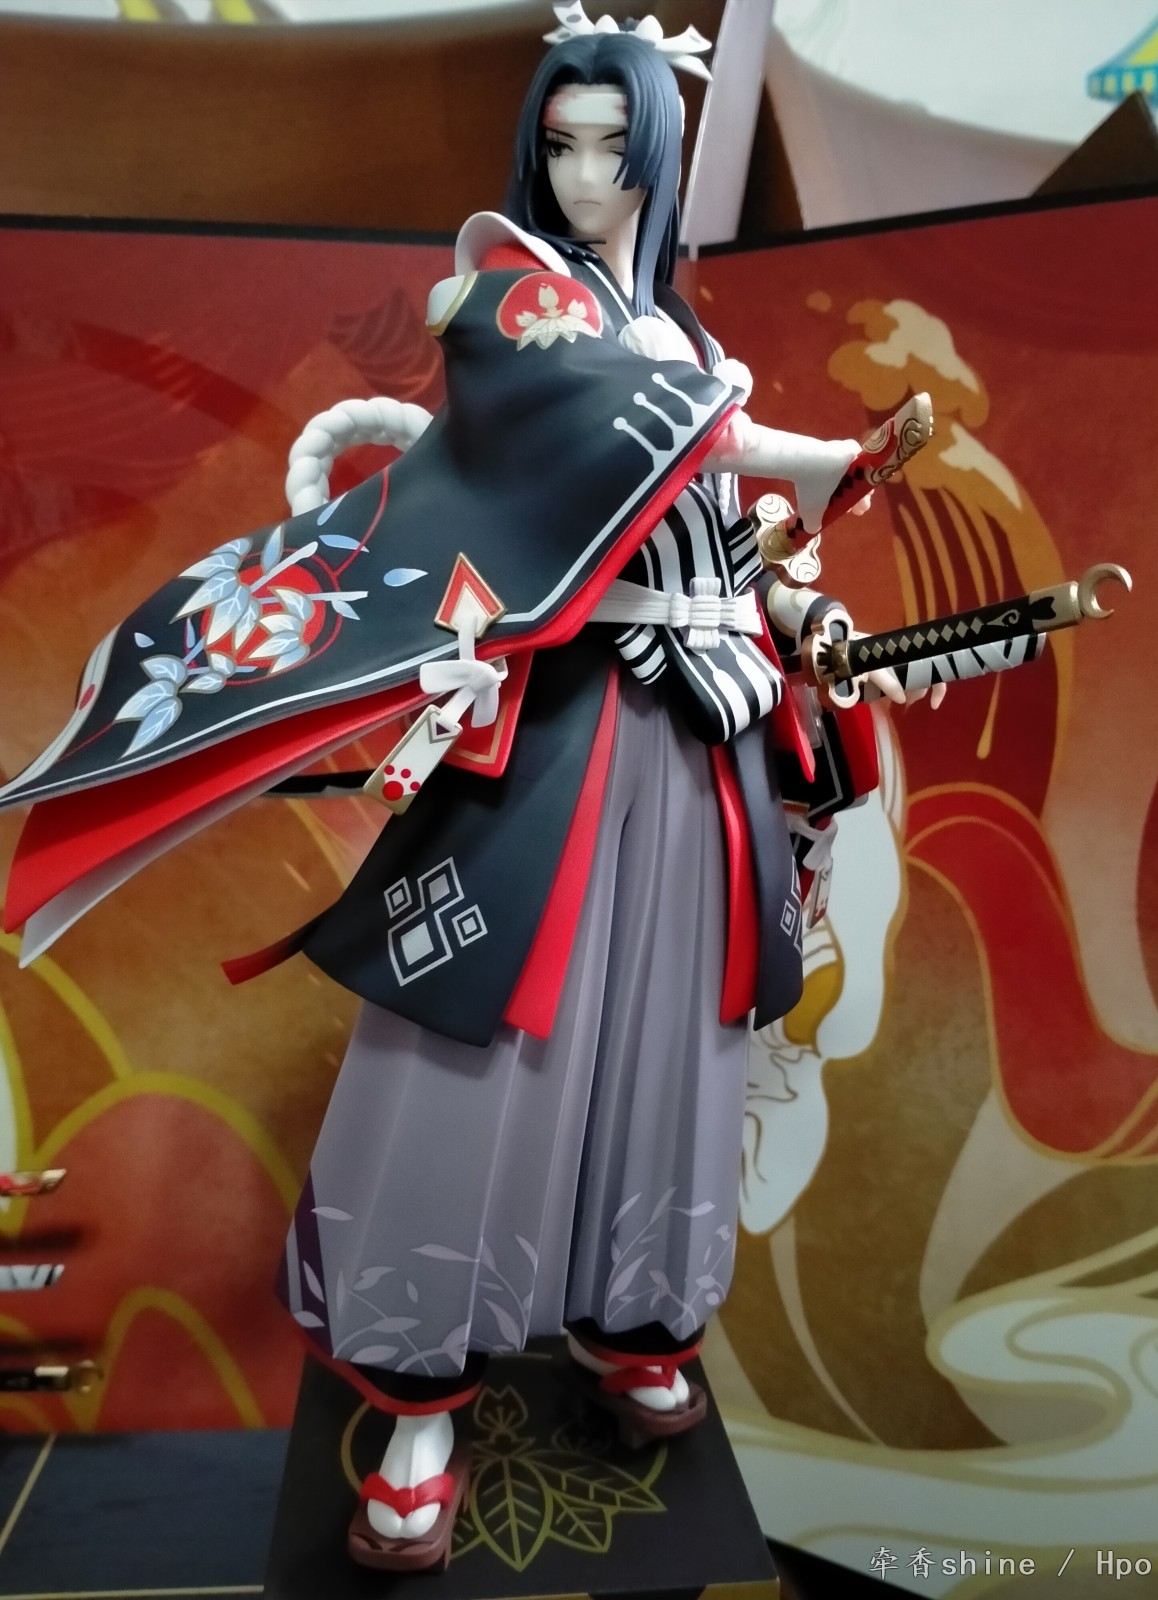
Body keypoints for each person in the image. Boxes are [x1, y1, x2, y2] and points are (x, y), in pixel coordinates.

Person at [0, 7, 931, 1574]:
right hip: (565, 742)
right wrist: (799, 457)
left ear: (663, 157)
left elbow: (728, 543)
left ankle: (638, 1320)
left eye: (614, 146)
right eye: (560, 143)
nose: (584, 174)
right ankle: (420, 1398)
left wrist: (805, 606)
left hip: (697, 747)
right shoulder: (505, 299)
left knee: (676, 1042)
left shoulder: (698, 353)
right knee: (477, 1047)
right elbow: (617, 428)